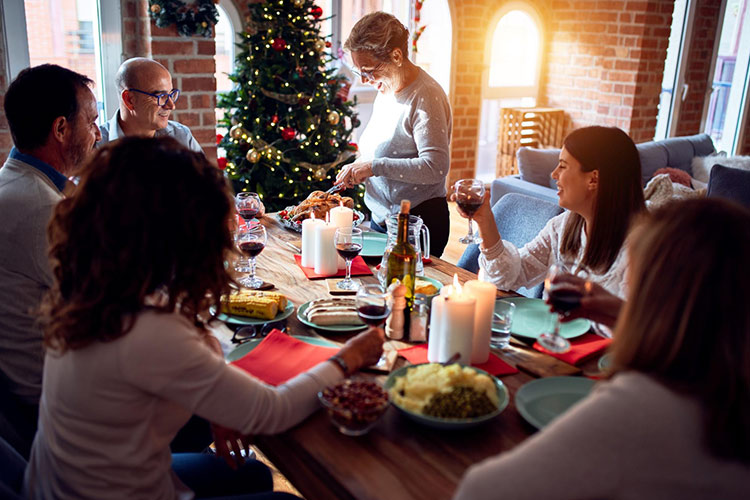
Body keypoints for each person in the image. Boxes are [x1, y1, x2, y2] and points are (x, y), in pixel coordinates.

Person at [24, 136, 384, 499]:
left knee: (252, 473)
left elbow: (194, 342)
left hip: (62, 482)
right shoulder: (146, 329)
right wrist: (349, 358)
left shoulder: (96, 287)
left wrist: (216, 399)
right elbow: (271, 412)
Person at [453, 198, 750, 499]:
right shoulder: (728, 400)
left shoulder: (644, 407)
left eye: (633, 277)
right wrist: (622, 315)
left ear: (655, 290)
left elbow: (480, 490)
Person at [0, 64, 101, 458]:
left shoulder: (17, 183)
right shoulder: (39, 208)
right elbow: (116, 305)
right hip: (60, 415)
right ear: (61, 129)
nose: (96, 135)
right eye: (91, 122)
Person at [459, 126, 645, 299]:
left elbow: (636, 327)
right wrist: (485, 221)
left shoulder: (641, 246)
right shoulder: (562, 227)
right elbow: (509, 276)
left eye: (563, 166)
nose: (554, 174)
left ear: (593, 179)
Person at [335, 12, 452, 257]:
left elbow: (435, 167)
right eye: (360, 72)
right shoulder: (386, 89)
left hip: (416, 223)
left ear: (396, 56)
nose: (365, 80)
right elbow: (381, 151)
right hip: (382, 220)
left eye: (368, 70)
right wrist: (357, 167)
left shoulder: (425, 96)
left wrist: (373, 167)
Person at [99, 57, 203, 153]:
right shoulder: (95, 147)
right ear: (129, 100)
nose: (171, 106)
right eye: (160, 96)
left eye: (171, 94)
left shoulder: (181, 137)